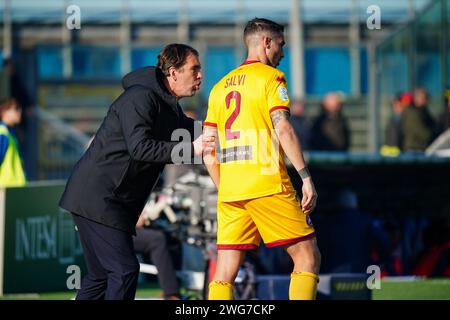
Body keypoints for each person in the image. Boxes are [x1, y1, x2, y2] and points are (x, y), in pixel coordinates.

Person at [59, 43, 214, 300]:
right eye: (194, 69)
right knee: (124, 270)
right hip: (98, 198)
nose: (200, 75)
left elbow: (191, 128)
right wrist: (192, 149)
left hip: (107, 200)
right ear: (173, 73)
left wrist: (226, 130)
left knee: (100, 277)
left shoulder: (168, 105)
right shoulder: (140, 97)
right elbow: (141, 148)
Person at [203, 18, 320, 300]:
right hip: (267, 182)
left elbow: (208, 151)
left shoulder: (218, 88)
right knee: (307, 256)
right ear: (266, 43)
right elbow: (282, 127)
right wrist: (305, 177)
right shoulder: (272, 78)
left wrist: (225, 189)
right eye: (281, 44)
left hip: (231, 190)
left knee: (225, 272)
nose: (283, 52)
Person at [133, 214, 181, 300]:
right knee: (157, 239)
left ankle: (172, 290)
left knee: (169, 236)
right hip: (114, 230)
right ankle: (171, 294)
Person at [0, 98, 26, 187]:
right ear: (4, 112)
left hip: (13, 188)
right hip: (4, 190)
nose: (19, 112)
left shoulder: (11, 134)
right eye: (16, 109)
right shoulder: (2, 134)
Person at [401, 87, 436, 152]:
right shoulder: (413, 113)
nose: (426, 101)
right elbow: (422, 132)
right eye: (424, 98)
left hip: (421, 148)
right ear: (416, 99)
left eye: (427, 98)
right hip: (415, 149)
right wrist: (434, 135)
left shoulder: (424, 111)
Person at [380, 92, 411, 156]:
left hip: (400, 153)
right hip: (393, 153)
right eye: (395, 104)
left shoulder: (404, 119)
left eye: (400, 105)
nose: (397, 107)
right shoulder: (393, 120)